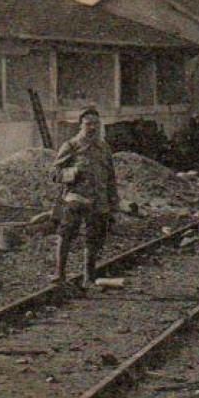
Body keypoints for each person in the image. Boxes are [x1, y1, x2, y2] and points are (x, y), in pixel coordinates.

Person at [52, 105, 117, 288]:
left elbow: (111, 178)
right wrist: (73, 173)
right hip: (75, 199)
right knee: (66, 236)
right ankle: (60, 274)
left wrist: (114, 203)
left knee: (94, 239)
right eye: (88, 124)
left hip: (98, 201)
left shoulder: (104, 148)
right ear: (80, 125)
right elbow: (54, 173)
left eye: (96, 123)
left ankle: (89, 277)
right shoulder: (71, 146)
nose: (93, 127)